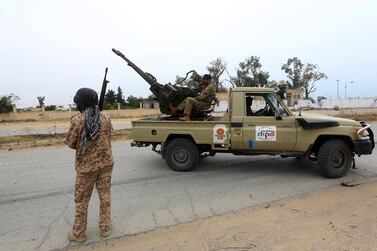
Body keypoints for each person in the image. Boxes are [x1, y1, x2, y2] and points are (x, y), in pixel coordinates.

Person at [65, 88, 114, 243]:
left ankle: (79, 233)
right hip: (106, 163)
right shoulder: (105, 117)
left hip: (86, 168)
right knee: (105, 196)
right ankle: (105, 228)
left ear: (80, 103)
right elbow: (109, 135)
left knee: (81, 201)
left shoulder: (77, 120)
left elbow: (72, 144)